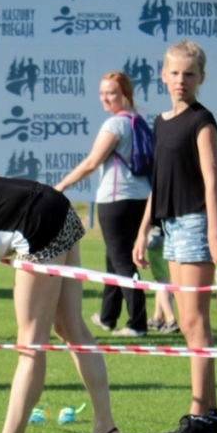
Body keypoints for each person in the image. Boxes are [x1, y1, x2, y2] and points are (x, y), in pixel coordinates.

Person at [0, 174, 122, 433]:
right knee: (70, 327)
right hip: (53, 206)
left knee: (31, 342)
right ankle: (105, 429)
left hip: (37, 221)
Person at [134, 40, 217, 433]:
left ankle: (198, 419)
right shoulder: (160, 122)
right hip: (170, 224)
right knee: (192, 323)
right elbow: (159, 182)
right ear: (163, 75)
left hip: (196, 222)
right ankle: (211, 414)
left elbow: (212, 180)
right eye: (174, 73)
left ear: (201, 78)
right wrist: (143, 229)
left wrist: (213, 233)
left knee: (193, 322)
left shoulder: (201, 121)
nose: (181, 80)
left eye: (189, 74)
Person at [54, 71, 151, 337]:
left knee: (122, 262)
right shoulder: (138, 121)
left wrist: (62, 185)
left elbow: (91, 162)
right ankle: (108, 317)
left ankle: (137, 323)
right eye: (102, 93)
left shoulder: (115, 124)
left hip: (116, 200)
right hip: (139, 199)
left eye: (112, 93)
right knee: (114, 260)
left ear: (125, 94)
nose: (105, 98)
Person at [145, 226, 179, 333]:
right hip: (171, 239)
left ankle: (170, 319)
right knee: (163, 280)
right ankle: (157, 317)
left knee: (161, 282)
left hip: (156, 241)